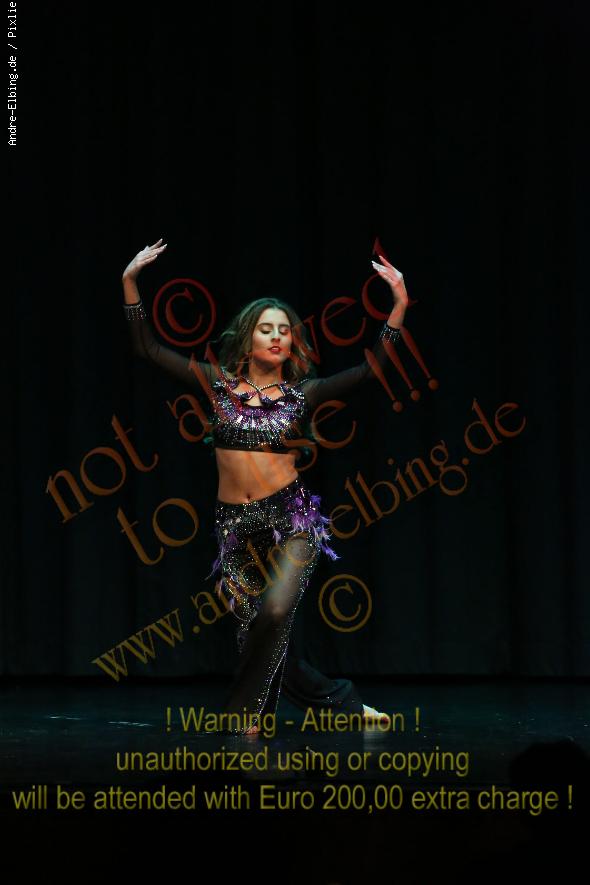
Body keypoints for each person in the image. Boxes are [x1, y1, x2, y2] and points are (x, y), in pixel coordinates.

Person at [121, 239, 408, 734]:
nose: (276, 337)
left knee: (275, 611)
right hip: (235, 528)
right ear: (247, 338)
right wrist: (129, 282)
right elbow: (146, 348)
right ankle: (344, 703)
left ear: (293, 343)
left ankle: (244, 716)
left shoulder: (304, 394)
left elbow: (373, 370)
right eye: (266, 329)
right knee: (261, 634)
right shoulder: (216, 385)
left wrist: (399, 304)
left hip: (292, 521)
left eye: (284, 331)